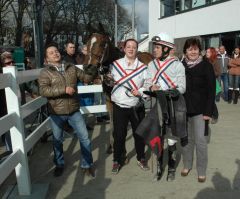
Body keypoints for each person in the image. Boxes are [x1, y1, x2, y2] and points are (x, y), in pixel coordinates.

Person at [38, 43, 97, 177]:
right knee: (57, 140)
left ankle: (87, 164)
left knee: (85, 138)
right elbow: (43, 90)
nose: (55, 53)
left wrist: (93, 69)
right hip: (56, 113)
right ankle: (59, 163)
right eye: (51, 52)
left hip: (74, 111)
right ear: (47, 59)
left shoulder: (72, 67)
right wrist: (63, 90)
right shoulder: (45, 72)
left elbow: (86, 78)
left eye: (56, 51)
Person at [147, 33, 186, 181]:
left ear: (166, 48)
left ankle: (171, 168)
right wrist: (151, 86)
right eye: (154, 47)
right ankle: (158, 168)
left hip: (172, 105)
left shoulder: (177, 65)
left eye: (157, 47)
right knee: (157, 136)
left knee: (171, 139)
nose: (154, 49)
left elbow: (182, 87)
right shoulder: (151, 65)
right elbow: (146, 83)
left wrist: (172, 90)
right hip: (157, 105)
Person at [109, 38, 151, 174]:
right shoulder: (115, 65)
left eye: (133, 47)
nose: (131, 49)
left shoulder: (143, 67)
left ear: (136, 49)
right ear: (124, 49)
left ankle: (141, 157)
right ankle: (117, 159)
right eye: (128, 47)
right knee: (119, 135)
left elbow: (148, 85)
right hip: (119, 106)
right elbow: (109, 82)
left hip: (136, 106)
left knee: (139, 135)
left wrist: (140, 92)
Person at [181, 38, 215, 183]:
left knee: (200, 141)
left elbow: (211, 90)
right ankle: (187, 165)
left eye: (195, 49)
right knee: (186, 141)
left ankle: (201, 170)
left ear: (199, 50)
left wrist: (208, 112)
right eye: (190, 49)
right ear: (185, 51)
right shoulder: (180, 66)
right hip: (183, 110)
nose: (193, 52)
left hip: (201, 111)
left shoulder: (206, 66)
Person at [205, 47, 221, 123]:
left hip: (212, 83)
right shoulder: (205, 61)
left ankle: (215, 116)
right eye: (206, 52)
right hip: (205, 83)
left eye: (208, 52)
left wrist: (209, 74)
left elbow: (218, 72)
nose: (206, 53)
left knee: (211, 100)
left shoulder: (216, 61)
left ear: (212, 53)